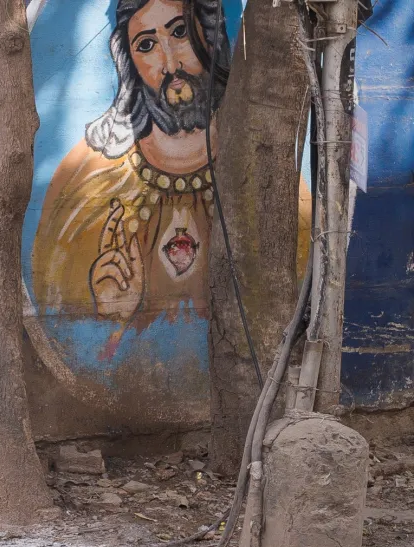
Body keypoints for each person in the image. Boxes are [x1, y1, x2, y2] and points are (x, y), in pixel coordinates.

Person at [31, 0, 310, 351]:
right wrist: (113, 321)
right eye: (146, 45)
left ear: (211, 36)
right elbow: (55, 305)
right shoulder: (85, 182)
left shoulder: (266, 169)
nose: (170, 64)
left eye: (180, 32)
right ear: (128, 62)